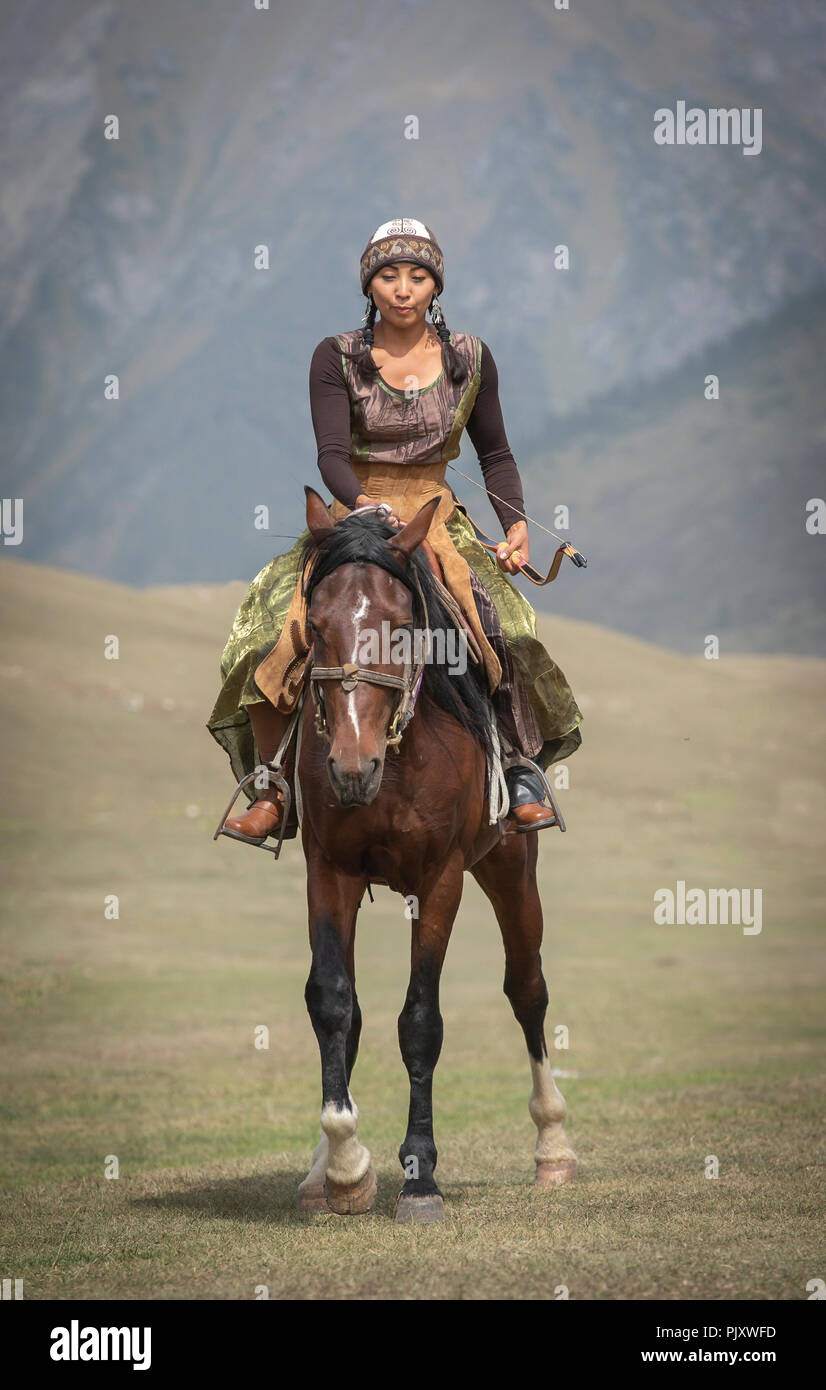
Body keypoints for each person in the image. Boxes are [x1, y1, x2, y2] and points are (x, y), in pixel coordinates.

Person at [206, 219, 583, 845]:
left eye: (418, 275)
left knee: (507, 629)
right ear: (369, 284)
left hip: (437, 519)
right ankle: (274, 789)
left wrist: (516, 526)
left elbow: (497, 456)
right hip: (354, 514)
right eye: (388, 275)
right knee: (267, 636)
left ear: (436, 285)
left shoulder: (470, 358)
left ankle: (519, 771)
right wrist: (365, 506)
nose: (403, 288)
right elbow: (329, 454)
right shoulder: (337, 356)